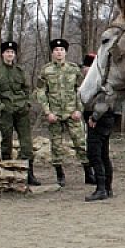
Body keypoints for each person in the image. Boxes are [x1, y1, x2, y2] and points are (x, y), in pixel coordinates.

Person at [34, 38, 90, 187]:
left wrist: (79, 109)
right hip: (55, 114)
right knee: (56, 145)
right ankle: (60, 174)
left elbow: (81, 90)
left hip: (73, 113)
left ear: (65, 52)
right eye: (56, 50)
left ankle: (88, 173)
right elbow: (40, 92)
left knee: (81, 143)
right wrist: (47, 112)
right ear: (52, 53)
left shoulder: (73, 69)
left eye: (62, 50)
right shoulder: (46, 70)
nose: (59, 52)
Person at [0, 40, 40, 186]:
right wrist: (2, 106)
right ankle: (6, 175)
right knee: (6, 142)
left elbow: (27, 89)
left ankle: (29, 174)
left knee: (27, 144)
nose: (10, 54)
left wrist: (27, 103)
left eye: (12, 52)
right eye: (7, 52)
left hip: (21, 111)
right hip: (6, 112)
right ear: (2, 54)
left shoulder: (20, 71)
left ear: (15, 54)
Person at [81, 52, 115, 202]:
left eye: (89, 66)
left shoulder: (101, 79)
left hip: (100, 118)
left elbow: (104, 100)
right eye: (85, 66)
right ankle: (107, 187)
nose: (86, 69)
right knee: (103, 154)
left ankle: (102, 188)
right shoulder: (94, 79)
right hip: (101, 117)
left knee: (94, 154)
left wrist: (95, 116)